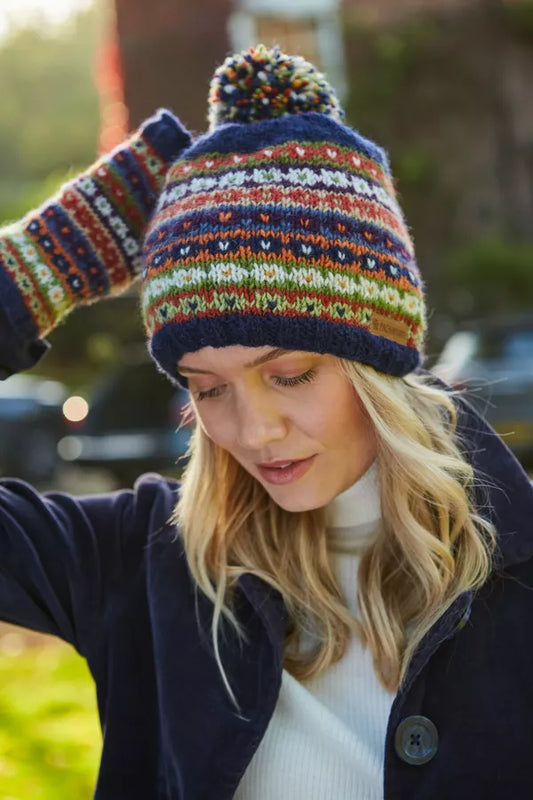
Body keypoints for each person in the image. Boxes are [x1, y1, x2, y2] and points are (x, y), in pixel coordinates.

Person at [1, 44, 533, 800]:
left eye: (289, 376)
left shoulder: (517, 576)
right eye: (206, 390)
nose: (253, 432)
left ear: (375, 366)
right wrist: (34, 270)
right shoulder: (140, 568)